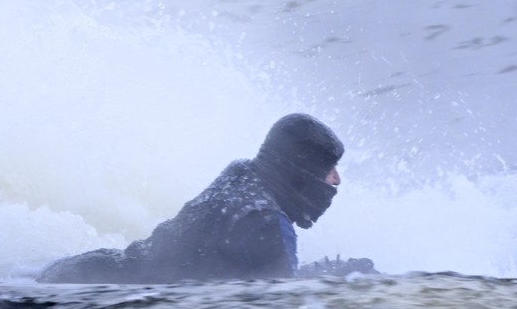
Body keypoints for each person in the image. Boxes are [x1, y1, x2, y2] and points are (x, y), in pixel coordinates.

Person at [38, 113, 373, 283]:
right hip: (92, 295)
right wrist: (336, 279)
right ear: (302, 171)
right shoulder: (266, 224)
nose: (336, 180)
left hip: (80, 270)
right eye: (329, 169)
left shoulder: (243, 174)